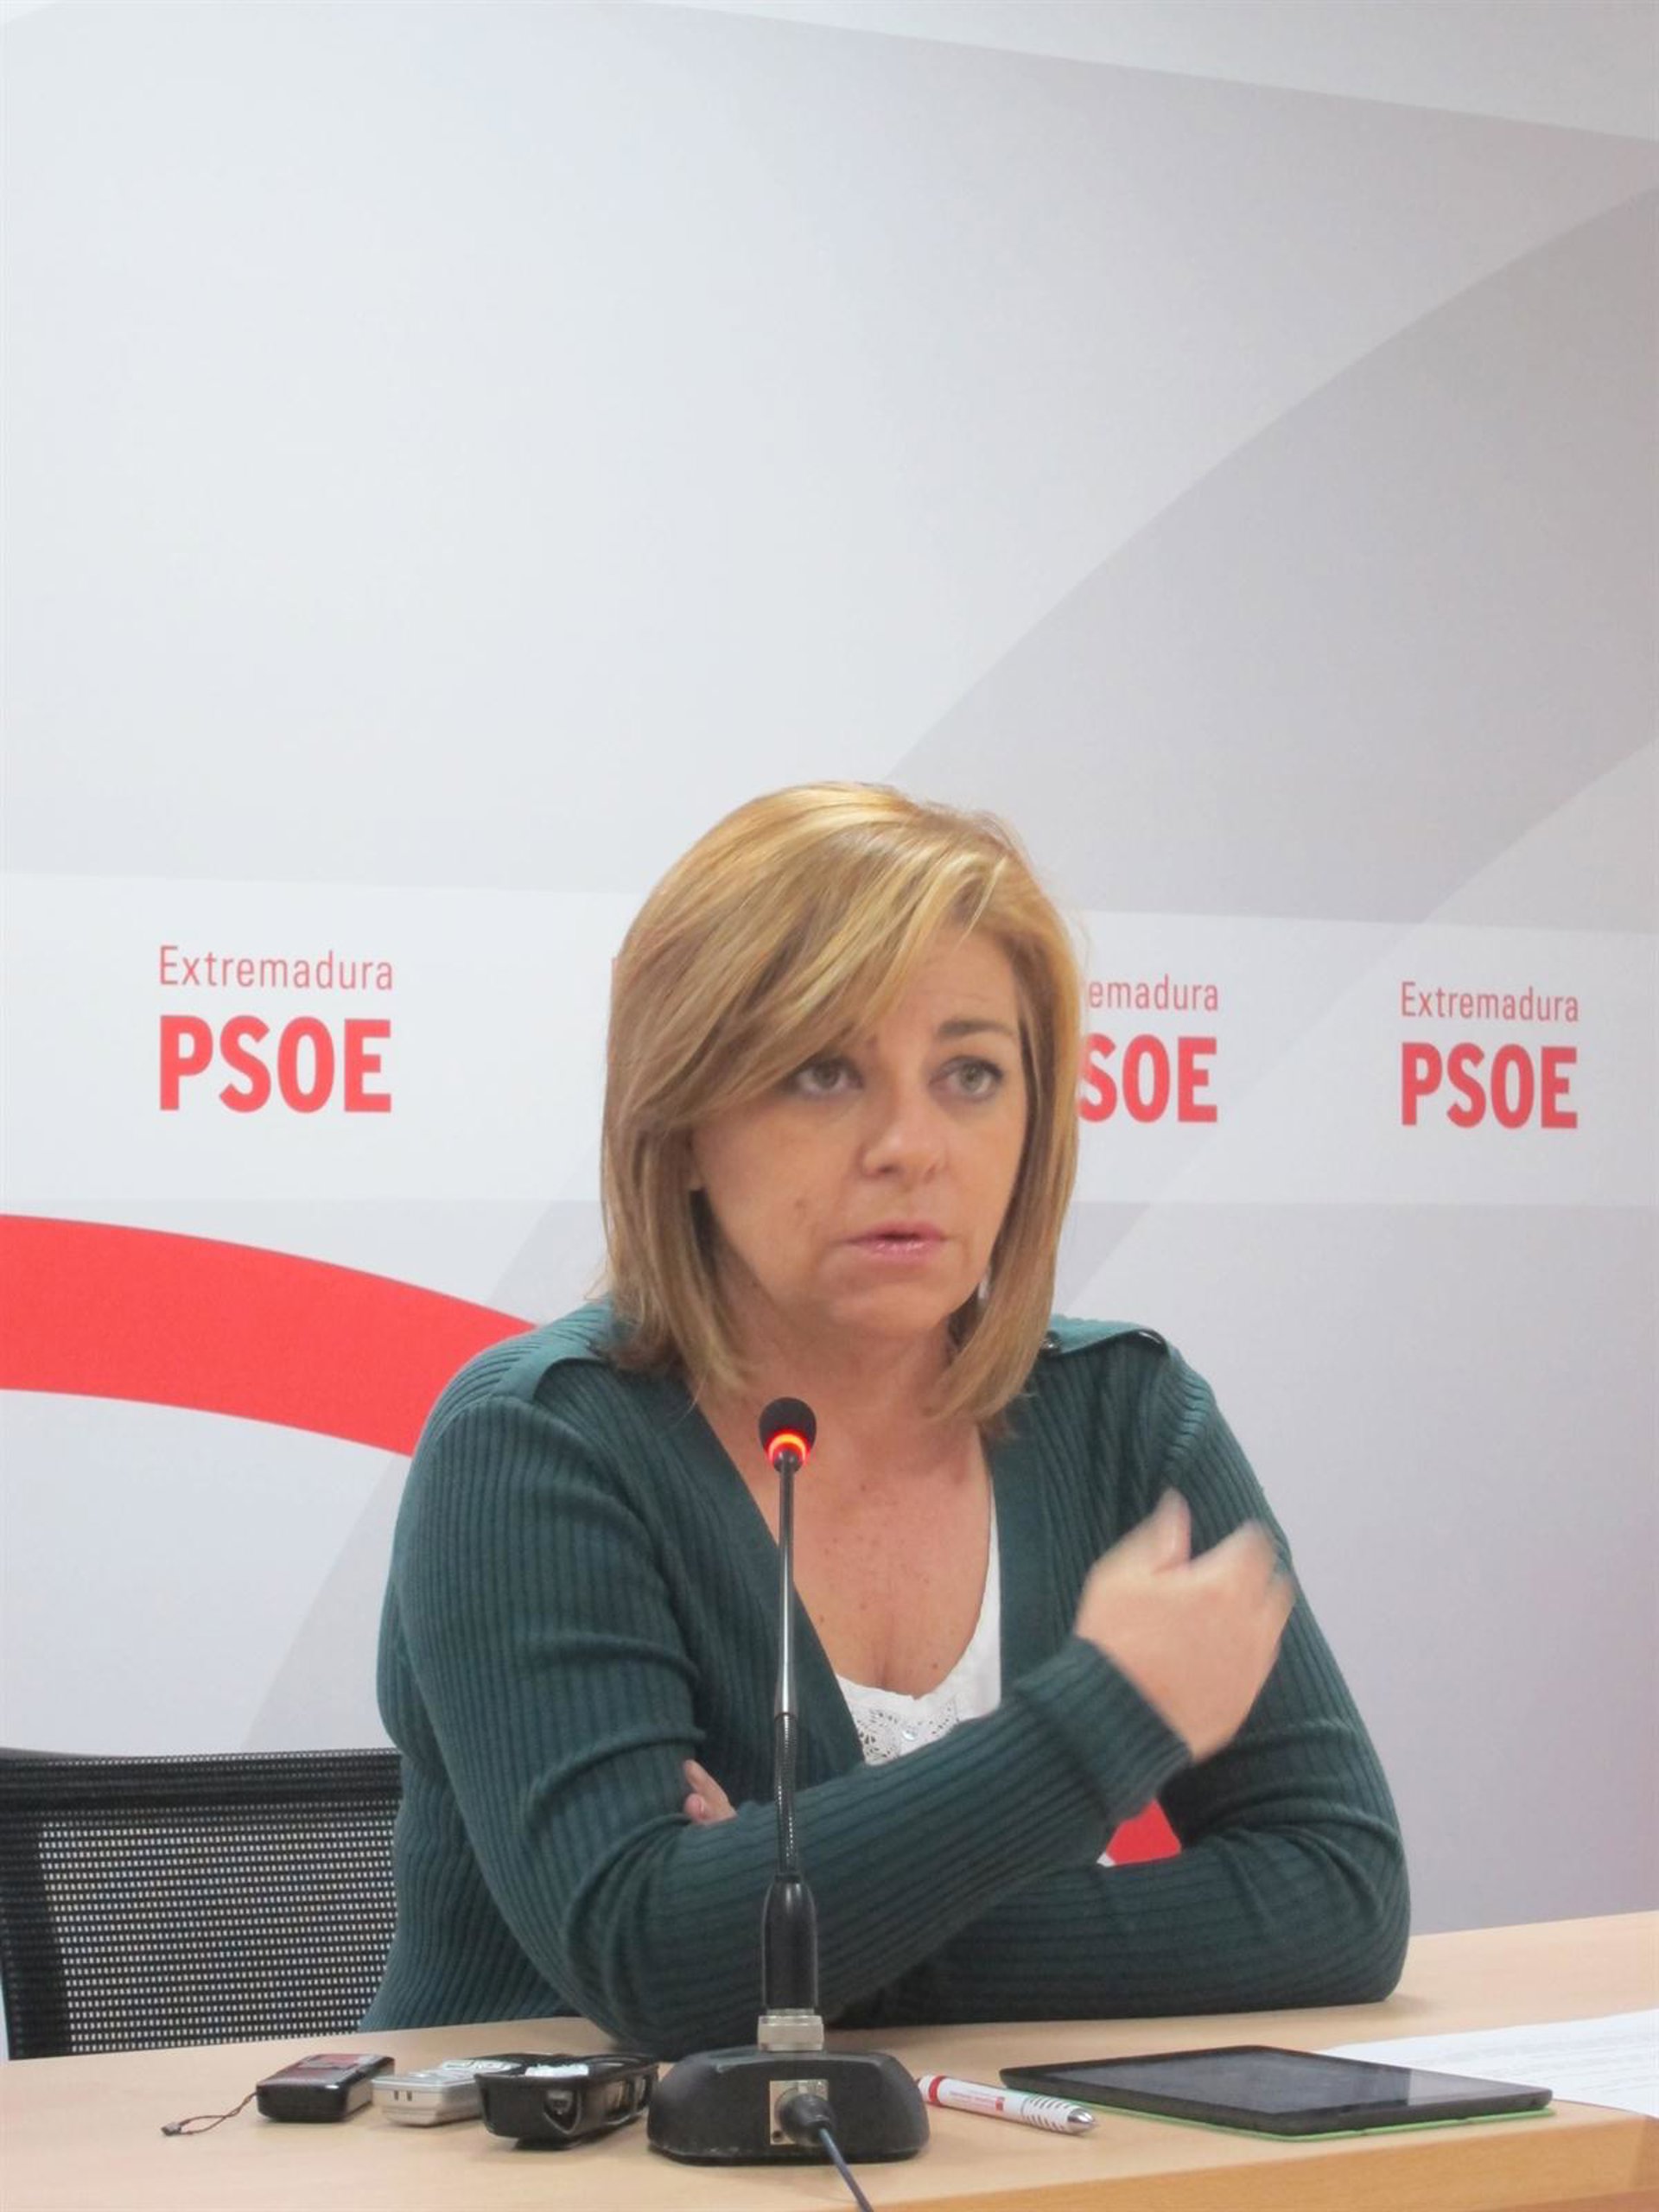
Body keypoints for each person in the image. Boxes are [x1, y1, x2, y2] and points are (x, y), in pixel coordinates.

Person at [365, 784, 1408, 2056]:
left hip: (972, 2147)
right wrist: (1104, 1716)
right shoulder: (539, 1445)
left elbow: (1341, 1896)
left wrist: (818, 1944)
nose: (913, 1145)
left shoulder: (1121, 1414)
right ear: (679, 1126)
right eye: (823, 1073)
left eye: (972, 1074)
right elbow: (654, 1960)